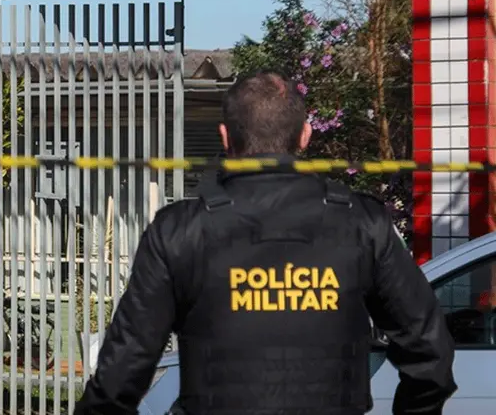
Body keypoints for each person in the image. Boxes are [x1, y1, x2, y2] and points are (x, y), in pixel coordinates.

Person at [74, 70, 457, 415]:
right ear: (305, 136)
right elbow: (429, 350)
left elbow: (124, 369)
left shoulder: (180, 230)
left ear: (225, 137)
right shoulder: (362, 224)